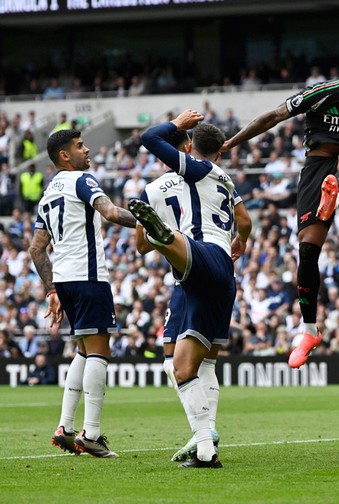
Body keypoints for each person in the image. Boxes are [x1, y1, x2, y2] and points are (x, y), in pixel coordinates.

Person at [221, 45, 339, 368]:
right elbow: (272, 117)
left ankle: (335, 191)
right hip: (315, 170)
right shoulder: (320, 94)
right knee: (307, 252)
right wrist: (229, 143)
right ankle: (309, 330)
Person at [131, 109, 244, 469]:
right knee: (199, 363)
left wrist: (177, 123)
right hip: (223, 272)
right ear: (222, 150)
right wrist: (240, 242)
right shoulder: (226, 178)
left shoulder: (173, 179)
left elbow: (139, 247)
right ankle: (205, 438)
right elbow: (245, 220)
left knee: (175, 366)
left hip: (195, 263)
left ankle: (167, 236)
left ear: (189, 147)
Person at [30, 129, 138, 458]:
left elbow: (36, 250)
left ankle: (65, 426)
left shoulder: (47, 195)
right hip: (89, 278)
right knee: (99, 352)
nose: (87, 149)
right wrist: (153, 223)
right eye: (80, 146)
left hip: (64, 281)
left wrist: (52, 290)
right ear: (65, 155)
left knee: (82, 351)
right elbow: (111, 212)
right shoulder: (83, 180)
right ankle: (90, 433)